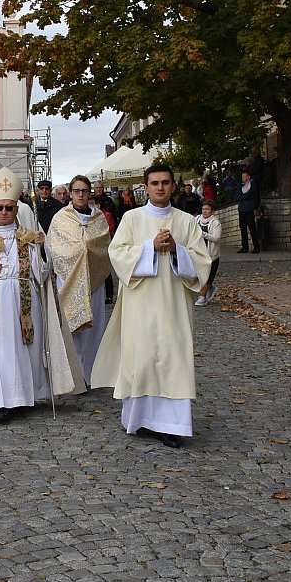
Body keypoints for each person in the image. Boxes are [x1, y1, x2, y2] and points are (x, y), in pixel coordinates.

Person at [91, 164, 211, 449]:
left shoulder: (186, 221)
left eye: (165, 183)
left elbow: (203, 261)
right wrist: (149, 248)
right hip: (140, 304)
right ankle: (140, 419)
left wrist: (176, 250)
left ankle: (170, 424)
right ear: (145, 187)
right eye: (155, 183)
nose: (160, 187)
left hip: (174, 305)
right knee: (142, 360)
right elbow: (116, 254)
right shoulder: (131, 218)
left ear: (172, 186)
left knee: (173, 360)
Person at [0, 168, 84, 423]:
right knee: (0, 353)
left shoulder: (29, 237)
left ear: (16, 208)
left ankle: (25, 396)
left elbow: (44, 273)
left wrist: (41, 247)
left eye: (9, 208)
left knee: (27, 351)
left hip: (26, 305)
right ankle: (1, 401)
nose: (4, 213)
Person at [46, 175, 112, 387]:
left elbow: (104, 247)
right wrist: (76, 255)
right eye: (76, 191)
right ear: (70, 194)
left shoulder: (98, 218)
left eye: (84, 190)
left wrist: (88, 252)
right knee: (72, 326)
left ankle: (92, 373)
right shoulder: (61, 218)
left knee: (94, 328)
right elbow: (53, 247)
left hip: (94, 281)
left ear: (90, 192)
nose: (81, 195)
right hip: (69, 279)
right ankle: (73, 376)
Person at [195, 200, 222, 305]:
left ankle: (202, 297)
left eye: (207, 209)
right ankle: (209, 287)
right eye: (203, 209)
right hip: (198, 252)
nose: (204, 211)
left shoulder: (216, 223)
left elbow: (217, 238)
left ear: (212, 211)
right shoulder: (197, 219)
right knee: (199, 275)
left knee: (208, 276)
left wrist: (203, 234)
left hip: (212, 255)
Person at [235, 170, 261, 253]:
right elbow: (237, 196)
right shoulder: (240, 186)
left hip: (249, 209)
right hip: (242, 209)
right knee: (243, 229)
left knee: (252, 228)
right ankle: (245, 247)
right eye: (242, 177)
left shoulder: (253, 184)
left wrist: (244, 196)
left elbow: (252, 194)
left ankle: (256, 247)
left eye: (244, 176)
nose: (243, 178)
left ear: (248, 177)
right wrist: (245, 196)